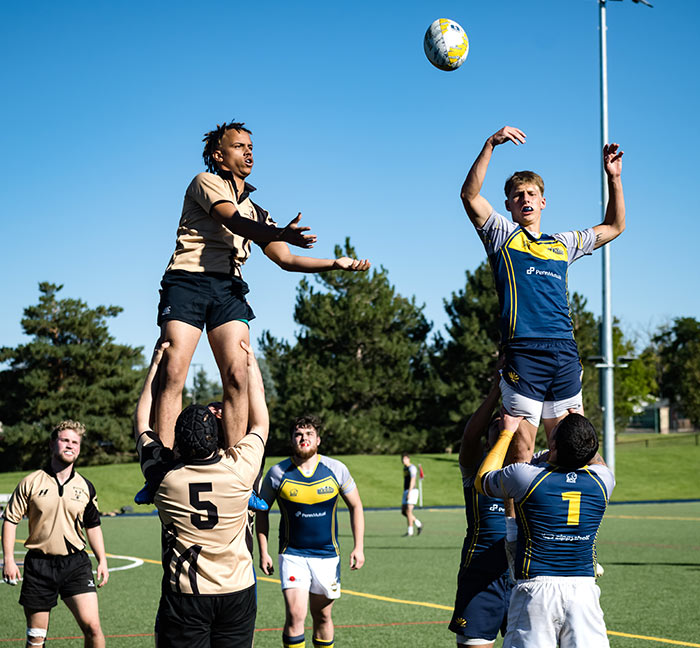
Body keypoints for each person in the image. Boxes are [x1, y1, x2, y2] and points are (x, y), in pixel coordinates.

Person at [156, 120, 370, 453]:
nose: (248, 153)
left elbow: (286, 259)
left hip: (229, 288)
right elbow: (231, 220)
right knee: (172, 371)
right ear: (219, 155)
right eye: (239, 146)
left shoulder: (257, 211)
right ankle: (161, 465)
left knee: (238, 376)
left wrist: (334, 263)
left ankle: (236, 465)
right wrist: (280, 232)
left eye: (251, 147)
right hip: (187, 280)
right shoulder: (206, 182)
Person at [460, 126, 625, 462]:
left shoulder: (562, 243)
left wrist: (614, 178)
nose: (525, 200)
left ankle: (571, 512)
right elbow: (470, 196)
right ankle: (515, 518)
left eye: (531, 194)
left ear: (543, 201)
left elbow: (614, 226)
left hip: (564, 350)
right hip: (523, 351)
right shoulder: (501, 235)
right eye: (518, 195)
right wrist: (490, 144)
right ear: (508, 204)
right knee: (521, 449)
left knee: (570, 448)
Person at [133, 339, 269, 648]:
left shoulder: (163, 477)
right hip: (237, 592)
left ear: (175, 441)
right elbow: (260, 419)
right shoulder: (240, 469)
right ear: (216, 438)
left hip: (186, 594)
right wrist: (251, 364)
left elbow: (142, 420)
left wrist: (155, 366)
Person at [475, 413, 614, 647]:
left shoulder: (524, 477)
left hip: (536, 591)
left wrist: (506, 432)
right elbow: (593, 459)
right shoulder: (604, 480)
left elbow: (482, 480)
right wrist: (574, 419)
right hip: (584, 591)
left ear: (553, 445)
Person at [257, 415, 365, 648]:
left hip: (328, 556)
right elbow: (261, 510)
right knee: (296, 615)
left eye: (309, 434)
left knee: (323, 616)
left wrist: (359, 547)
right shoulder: (277, 473)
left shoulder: (336, 469)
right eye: (298, 434)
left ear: (318, 440)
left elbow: (356, 505)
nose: (303, 438)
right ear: (291, 440)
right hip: (292, 554)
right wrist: (263, 551)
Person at [2, 421, 109, 648]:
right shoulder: (31, 482)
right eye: (65, 440)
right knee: (35, 639)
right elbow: (10, 520)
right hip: (39, 566)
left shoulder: (86, 487)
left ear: (79, 448)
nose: (70, 445)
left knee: (93, 628)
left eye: (75, 442)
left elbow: (93, 525)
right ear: (53, 444)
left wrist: (102, 560)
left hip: (75, 565)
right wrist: (9, 560)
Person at [449, 381, 511, 648]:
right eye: (494, 424)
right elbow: (469, 438)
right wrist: (497, 389)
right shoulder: (475, 467)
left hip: (523, 578)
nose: (501, 426)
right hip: (479, 575)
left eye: (505, 423)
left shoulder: (530, 468)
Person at [400, 454, 423, 536]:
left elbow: (413, 480)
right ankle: (418, 523)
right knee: (403, 511)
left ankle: (410, 531)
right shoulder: (405, 468)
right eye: (402, 459)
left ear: (408, 459)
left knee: (409, 511)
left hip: (412, 491)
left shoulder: (412, 468)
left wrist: (409, 492)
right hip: (406, 490)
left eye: (405, 459)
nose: (403, 460)